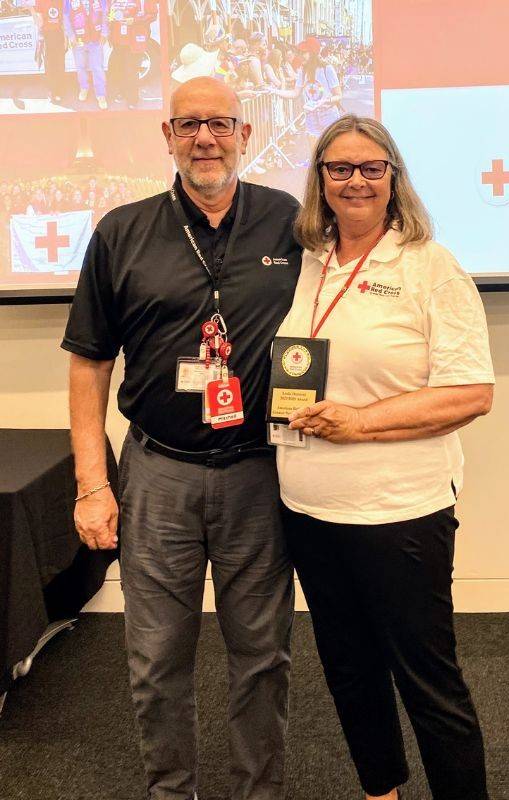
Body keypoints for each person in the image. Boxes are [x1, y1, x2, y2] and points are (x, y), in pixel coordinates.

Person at [61, 76, 302, 800]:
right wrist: (91, 484)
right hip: (157, 475)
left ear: (246, 135)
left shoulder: (287, 221)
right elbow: (89, 364)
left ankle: (259, 791)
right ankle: (172, 791)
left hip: (260, 472)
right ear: (166, 136)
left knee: (263, 655)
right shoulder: (122, 231)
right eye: (189, 124)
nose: (206, 137)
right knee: (157, 658)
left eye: (221, 123)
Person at [275, 115, 495, 800]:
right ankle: (382, 794)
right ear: (320, 181)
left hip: (399, 512)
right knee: (347, 668)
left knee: (428, 682)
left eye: (371, 167)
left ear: (394, 178)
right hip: (308, 508)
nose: (355, 181)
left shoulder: (431, 265)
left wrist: (362, 422)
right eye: (339, 168)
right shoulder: (309, 263)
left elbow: (472, 394)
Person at [106, 0, 157, 108]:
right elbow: (109, 13)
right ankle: (122, 92)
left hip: (133, 40)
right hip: (118, 40)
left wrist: (134, 20)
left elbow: (152, 15)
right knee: (117, 68)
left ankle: (132, 99)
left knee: (131, 69)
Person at [63, 0, 108, 109]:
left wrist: (104, 32)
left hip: (96, 39)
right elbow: (65, 17)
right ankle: (84, 88)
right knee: (80, 67)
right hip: (79, 40)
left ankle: (101, 94)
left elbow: (105, 13)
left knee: (97, 68)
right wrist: (71, 36)